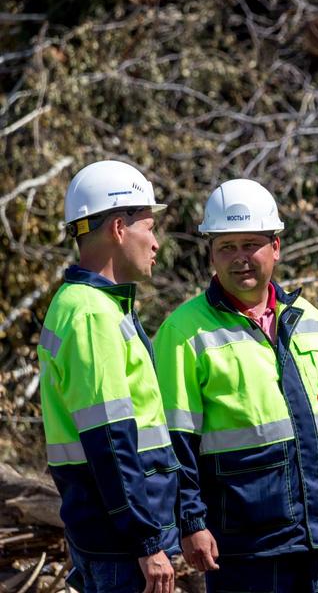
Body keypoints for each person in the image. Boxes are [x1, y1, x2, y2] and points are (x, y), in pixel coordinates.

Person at [153, 179, 318, 592]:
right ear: (211, 255)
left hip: (317, 536)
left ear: (275, 247)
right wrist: (190, 523)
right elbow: (176, 442)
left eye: (251, 244)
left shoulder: (310, 320)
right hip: (244, 546)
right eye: (227, 246)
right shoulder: (183, 331)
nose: (240, 258)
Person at [37, 160, 178, 593]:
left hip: (113, 537)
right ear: (119, 228)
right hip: (123, 545)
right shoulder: (91, 314)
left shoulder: (92, 306)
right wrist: (147, 541)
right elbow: (111, 442)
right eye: (149, 228)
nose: (155, 243)